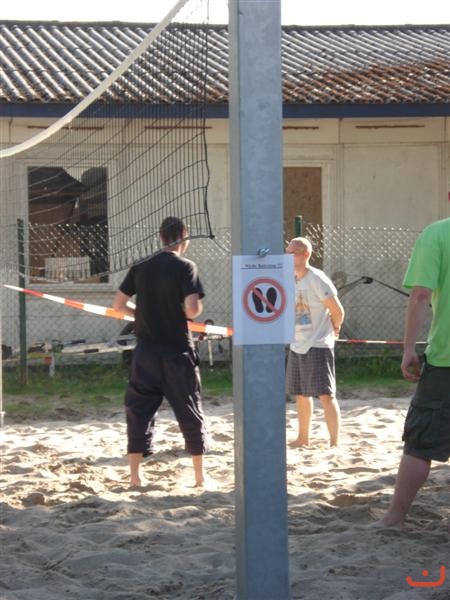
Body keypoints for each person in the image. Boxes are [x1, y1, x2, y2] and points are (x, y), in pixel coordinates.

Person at [112, 216, 209, 488]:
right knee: (190, 410)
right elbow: (192, 310)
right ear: (184, 235)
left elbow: (118, 304)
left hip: (145, 353)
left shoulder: (141, 265)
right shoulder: (185, 266)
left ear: (160, 236)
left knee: (139, 411)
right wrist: (189, 311)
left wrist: (142, 313)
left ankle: (135, 477)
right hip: (177, 352)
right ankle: (199, 478)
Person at [375, 217, 450, 528]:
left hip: (445, 359)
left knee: (420, 444)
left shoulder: (437, 233)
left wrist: (408, 349)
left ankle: (395, 517)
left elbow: (420, 296)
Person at [285, 237, 345, 447]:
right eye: (287, 252)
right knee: (301, 394)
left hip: (317, 344)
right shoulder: (290, 278)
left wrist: (335, 328)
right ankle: (303, 438)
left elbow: (338, 311)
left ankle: (334, 442)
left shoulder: (317, 278)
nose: (288, 256)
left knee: (326, 394)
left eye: (293, 253)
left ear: (306, 254)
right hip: (297, 343)